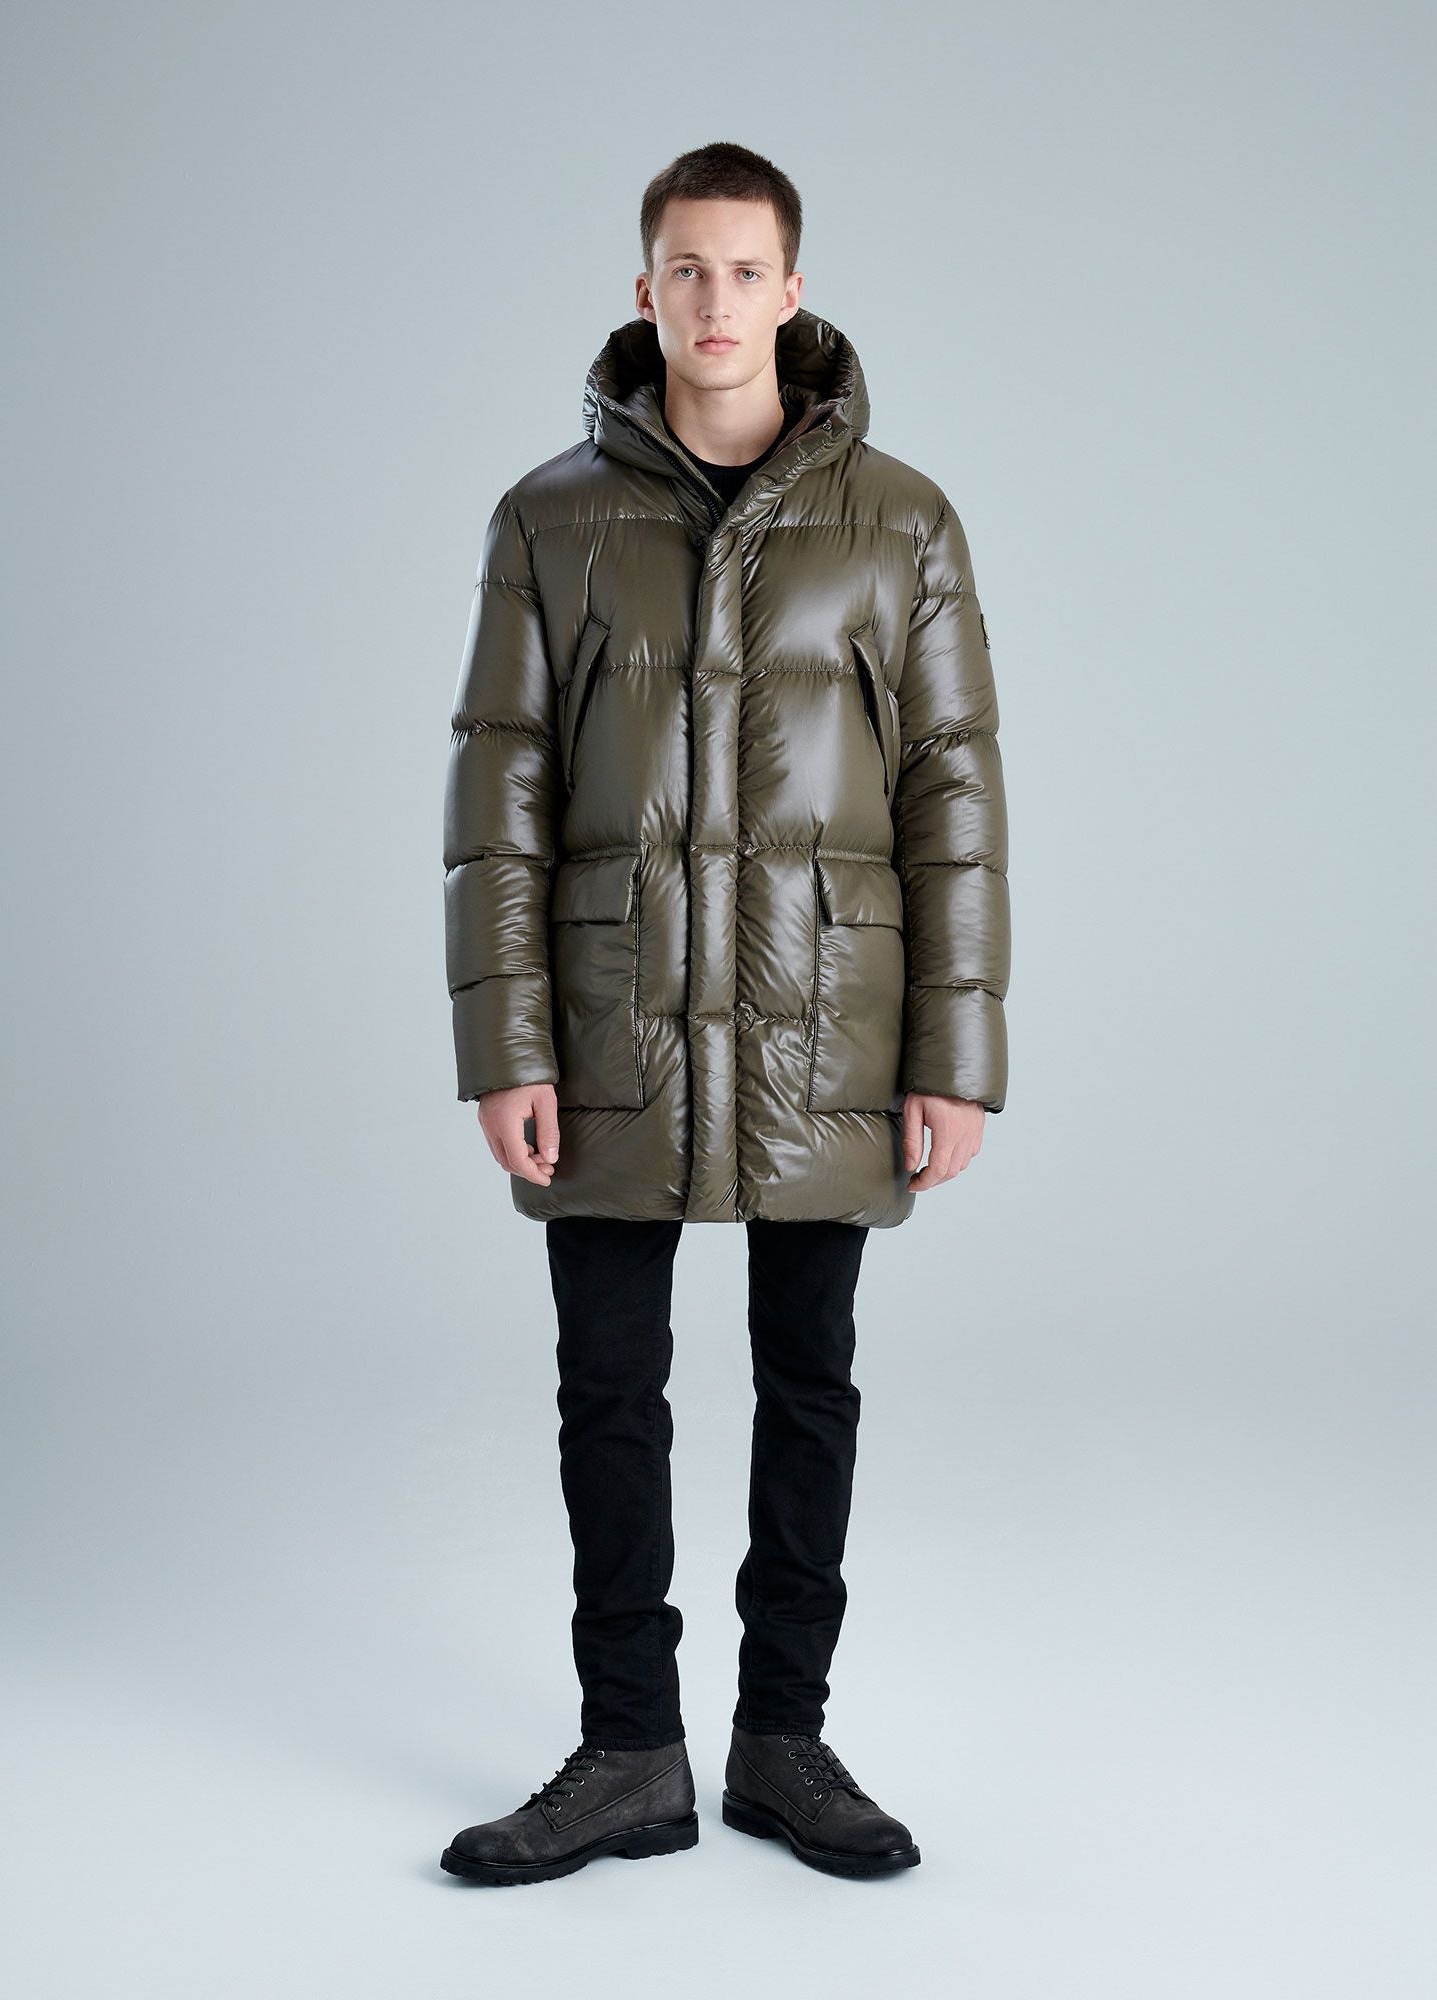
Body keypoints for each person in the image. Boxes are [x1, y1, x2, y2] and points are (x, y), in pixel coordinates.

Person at [438, 140, 1010, 1885]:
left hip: (828, 1014)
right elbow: (500, 791)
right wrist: (505, 1045)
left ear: (793, 291)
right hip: (612, 1010)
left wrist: (956, 1057)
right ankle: (629, 1752)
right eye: (686, 268)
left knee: (808, 1379)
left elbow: (955, 795)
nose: (714, 300)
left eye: (745, 270)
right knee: (608, 1384)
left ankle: (783, 1742)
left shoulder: (903, 520)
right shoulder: (547, 520)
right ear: (645, 290)